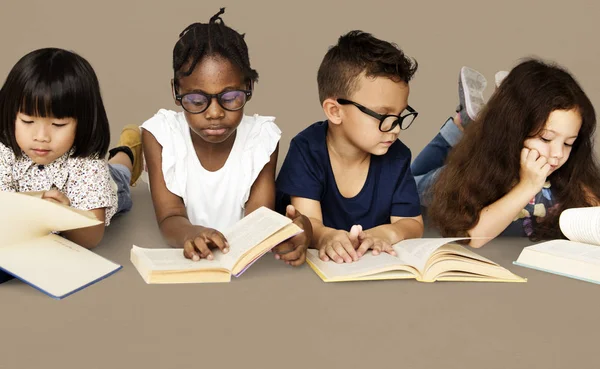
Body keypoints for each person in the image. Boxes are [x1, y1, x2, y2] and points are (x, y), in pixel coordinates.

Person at [141, 8, 311, 266]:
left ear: (249, 87)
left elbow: (258, 216)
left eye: (230, 98)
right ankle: (126, 153)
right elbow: (170, 215)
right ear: (176, 91)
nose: (215, 113)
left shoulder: (262, 138)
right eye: (197, 100)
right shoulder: (161, 135)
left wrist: (295, 230)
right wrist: (191, 233)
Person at [411, 59, 600, 248]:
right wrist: (528, 186)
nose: (558, 154)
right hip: (437, 185)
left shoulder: (572, 177)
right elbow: (472, 238)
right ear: (513, 131)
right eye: (545, 139)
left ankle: (483, 119)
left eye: (568, 143)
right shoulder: (472, 173)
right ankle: (462, 122)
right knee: (408, 182)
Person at [276, 30, 424, 264]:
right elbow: (307, 221)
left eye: (400, 115)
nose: (395, 128)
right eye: (384, 115)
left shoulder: (397, 155)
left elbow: (413, 223)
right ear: (335, 111)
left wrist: (385, 233)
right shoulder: (307, 149)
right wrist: (327, 237)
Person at [0, 47, 143, 251]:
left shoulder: (89, 165)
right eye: (27, 120)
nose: (41, 137)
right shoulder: (4, 151)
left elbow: (92, 237)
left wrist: (64, 217)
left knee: (119, 172)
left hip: (109, 187)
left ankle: (130, 148)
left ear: (84, 122)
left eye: (58, 125)